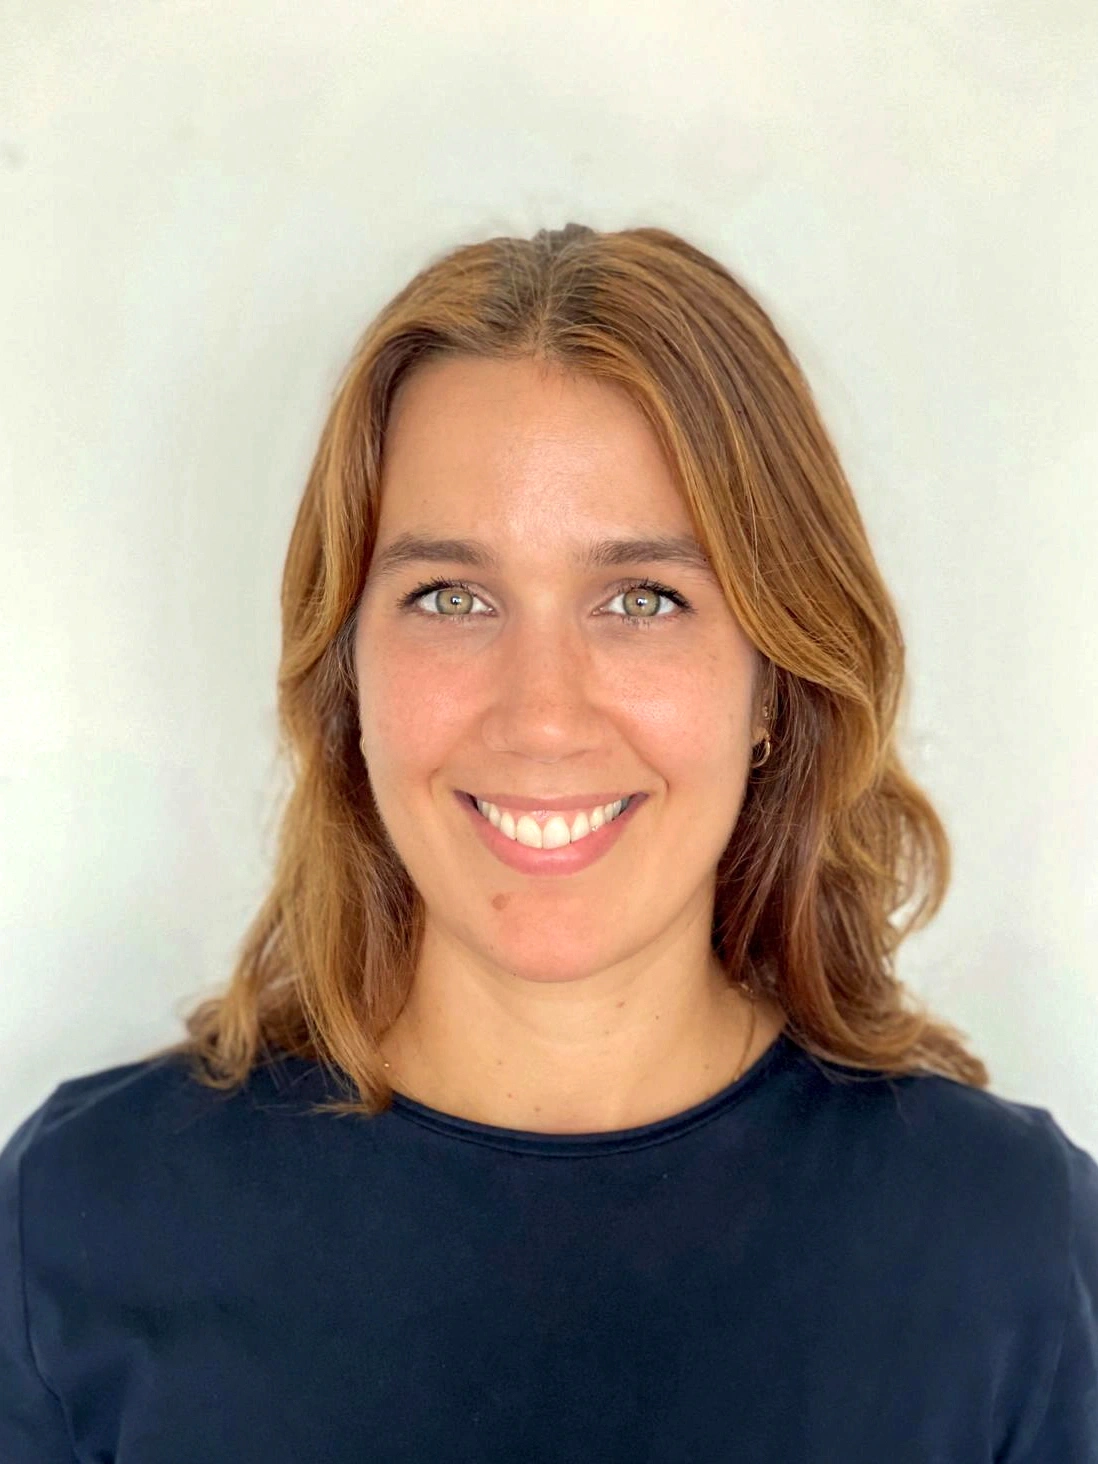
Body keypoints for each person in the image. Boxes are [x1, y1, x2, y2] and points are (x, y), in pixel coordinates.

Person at [1, 223, 1094, 1461]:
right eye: (450, 597)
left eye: (643, 600)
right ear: (345, 673)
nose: (542, 715)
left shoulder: (1010, 1250)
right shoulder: (79, 1220)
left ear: (776, 689)